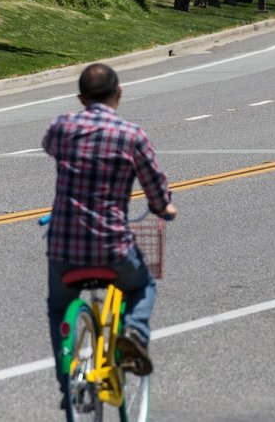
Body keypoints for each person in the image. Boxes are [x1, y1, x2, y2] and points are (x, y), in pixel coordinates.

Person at [43, 63, 177, 395]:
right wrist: (165, 208)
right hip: (113, 248)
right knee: (143, 287)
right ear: (119, 94)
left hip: (64, 250)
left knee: (59, 307)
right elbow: (156, 190)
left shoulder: (61, 127)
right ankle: (132, 332)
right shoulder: (131, 135)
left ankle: (67, 383)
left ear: (80, 98)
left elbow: (49, 146)